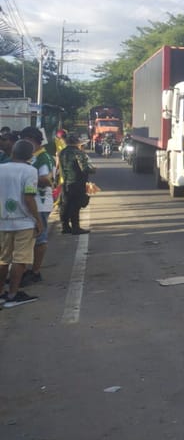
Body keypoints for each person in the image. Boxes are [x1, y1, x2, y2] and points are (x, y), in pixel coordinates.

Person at [0, 139, 44, 308]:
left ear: (13, 153)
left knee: (3, 259)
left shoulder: (1, 169)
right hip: (24, 222)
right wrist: (38, 220)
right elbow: (29, 197)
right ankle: (13, 294)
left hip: (3, 222)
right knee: (20, 259)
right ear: (30, 155)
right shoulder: (30, 171)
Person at [20, 127, 54, 285]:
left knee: (39, 239)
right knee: (30, 239)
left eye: (25, 139)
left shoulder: (43, 157)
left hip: (40, 204)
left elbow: (46, 179)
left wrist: (26, 178)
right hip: (31, 202)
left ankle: (35, 271)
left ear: (32, 139)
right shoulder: (32, 156)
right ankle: (25, 270)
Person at [57, 134, 96, 235]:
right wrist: (93, 170)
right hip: (77, 182)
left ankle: (65, 226)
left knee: (65, 204)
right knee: (76, 205)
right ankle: (75, 227)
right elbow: (84, 168)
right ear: (77, 143)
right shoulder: (78, 153)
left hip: (66, 182)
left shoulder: (62, 152)